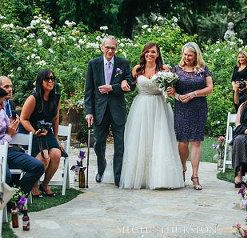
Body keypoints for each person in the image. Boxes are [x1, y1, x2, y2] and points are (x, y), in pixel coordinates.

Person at [119, 42, 184, 190]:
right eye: (147, 52)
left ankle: (161, 177)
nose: (150, 54)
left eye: (153, 52)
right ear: (144, 53)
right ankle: (140, 177)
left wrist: (169, 91)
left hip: (160, 106)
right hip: (141, 106)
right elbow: (130, 85)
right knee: (141, 139)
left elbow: (171, 88)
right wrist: (124, 81)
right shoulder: (137, 69)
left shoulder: (164, 70)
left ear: (158, 54)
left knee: (160, 139)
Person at [84, 36, 135, 186]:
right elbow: (89, 91)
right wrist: (89, 111)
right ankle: (101, 169)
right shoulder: (93, 64)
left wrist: (112, 87)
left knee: (120, 144)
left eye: (113, 48)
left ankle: (118, 176)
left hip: (117, 109)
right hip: (99, 110)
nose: (110, 50)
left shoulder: (123, 64)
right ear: (102, 48)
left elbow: (131, 86)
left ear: (116, 49)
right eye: (108, 47)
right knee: (99, 143)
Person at [165, 42, 213, 190]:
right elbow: (170, 92)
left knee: (196, 141)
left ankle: (195, 176)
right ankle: (182, 169)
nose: (186, 57)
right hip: (182, 108)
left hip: (198, 108)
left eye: (190, 55)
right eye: (185, 54)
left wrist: (194, 94)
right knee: (183, 141)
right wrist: (178, 96)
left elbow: (210, 88)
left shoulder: (203, 69)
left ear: (196, 55)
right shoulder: (176, 69)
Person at [0, 85, 45, 198]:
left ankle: (16, 198)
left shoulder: (2, 112)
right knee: (6, 176)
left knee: (38, 166)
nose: (3, 106)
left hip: (10, 151)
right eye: (0, 103)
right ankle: (7, 200)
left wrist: (15, 125)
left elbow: (12, 130)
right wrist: (9, 135)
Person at [20, 69, 62, 197]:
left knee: (56, 153)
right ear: (40, 81)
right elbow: (23, 119)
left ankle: (45, 184)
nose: (50, 81)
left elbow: (55, 118)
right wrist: (34, 132)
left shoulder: (56, 98)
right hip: (31, 131)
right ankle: (34, 185)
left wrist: (56, 138)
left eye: (52, 78)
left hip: (46, 131)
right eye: (47, 79)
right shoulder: (33, 98)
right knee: (44, 158)